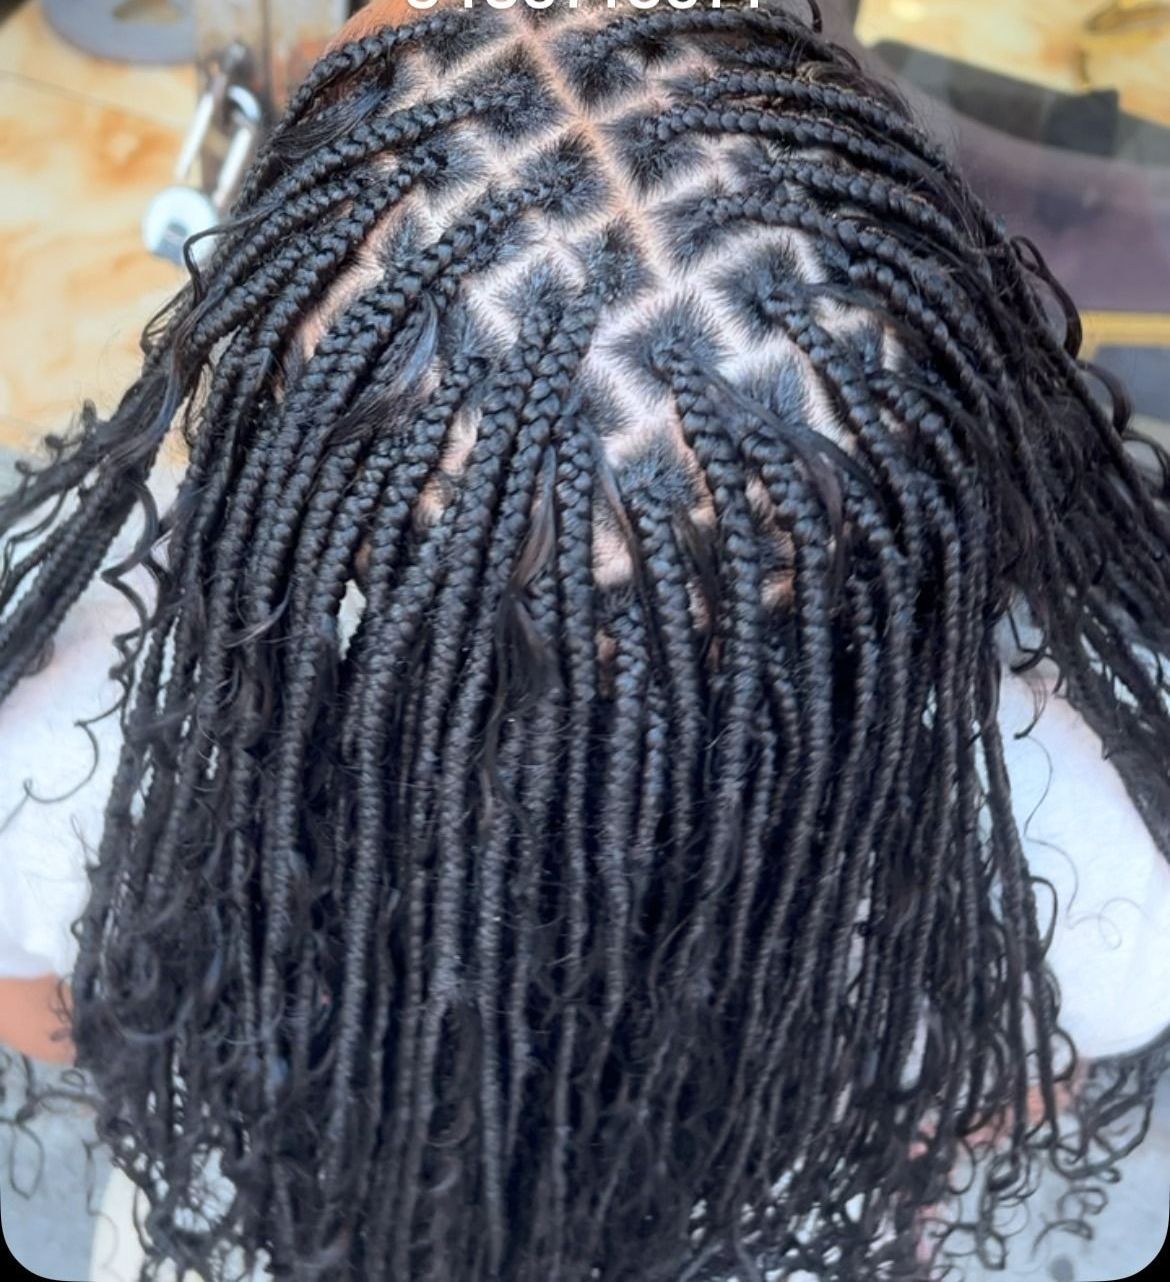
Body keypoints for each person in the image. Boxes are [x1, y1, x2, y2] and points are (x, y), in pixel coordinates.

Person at [2, 1, 1169, 1278]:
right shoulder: (1080, 823)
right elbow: (1008, 1083)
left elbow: (49, 1015)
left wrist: (237, 1059)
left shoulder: (72, 731)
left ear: (287, 456)